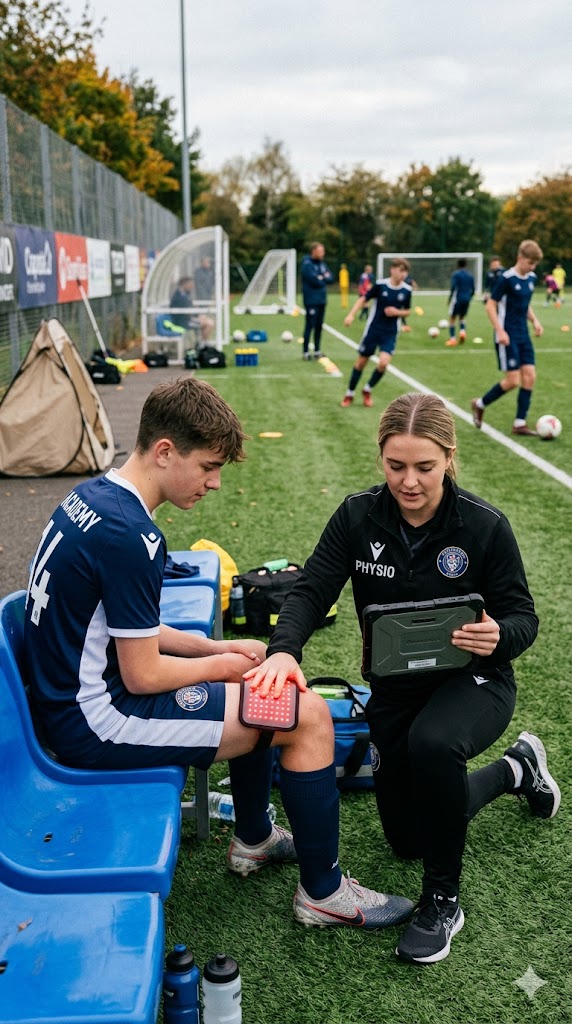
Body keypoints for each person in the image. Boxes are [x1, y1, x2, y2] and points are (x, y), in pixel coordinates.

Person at [24, 377, 413, 931]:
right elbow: (142, 674)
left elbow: (125, 628)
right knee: (308, 718)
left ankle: (253, 838)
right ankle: (324, 893)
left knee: (261, 691)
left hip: (77, 698)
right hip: (94, 722)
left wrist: (217, 647)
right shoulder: (130, 536)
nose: (215, 483)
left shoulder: (94, 497)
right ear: (164, 452)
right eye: (208, 466)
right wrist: (226, 666)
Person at [245, 391, 560, 965]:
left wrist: (500, 636)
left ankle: (442, 902)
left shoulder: (485, 526)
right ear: (381, 458)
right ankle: (518, 768)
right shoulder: (357, 515)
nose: (409, 481)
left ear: (449, 458)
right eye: (396, 466)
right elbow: (312, 589)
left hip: (476, 682)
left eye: (424, 467)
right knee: (409, 839)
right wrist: (283, 650)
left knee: (434, 745)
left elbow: (523, 616)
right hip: (395, 691)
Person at [471, 240, 543, 437]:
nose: (532, 267)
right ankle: (479, 404)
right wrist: (500, 331)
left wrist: (535, 321)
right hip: (507, 336)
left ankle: (519, 423)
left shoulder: (531, 278)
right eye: (530, 263)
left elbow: (525, 305)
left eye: (535, 264)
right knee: (513, 380)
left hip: (523, 334)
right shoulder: (506, 279)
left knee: (530, 376)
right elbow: (490, 305)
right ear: (520, 258)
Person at [340, 258, 412, 408]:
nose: (403, 274)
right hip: (373, 330)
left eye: (405, 271)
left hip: (390, 332)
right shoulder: (380, 285)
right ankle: (350, 393)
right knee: (360, 363)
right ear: (392, 270)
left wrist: (397, 312)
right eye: (401, 270)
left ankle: (367, 389)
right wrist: (351, 314)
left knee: (383, 363)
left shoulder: (407, 290)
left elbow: (407, 311)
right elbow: (363, 299)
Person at [301, 242, 334, 360]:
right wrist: (322, 277)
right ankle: (305, 352)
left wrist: (322, 277)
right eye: (321, 251)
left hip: (321, 300)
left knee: (319, 326)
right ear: (313, 251)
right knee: (310, 325)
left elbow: (331, 278)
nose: (323, 253)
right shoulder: (307, 264)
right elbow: (315, 281)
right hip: (311, 300)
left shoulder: (322, 264)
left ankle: (317, 351)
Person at [169, 276, 214, 342]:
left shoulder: (184, 294)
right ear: (184, 284)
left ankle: (202, 343)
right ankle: (204, 345)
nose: (192, 287)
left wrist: (198, 316)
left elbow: (189, 308)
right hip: (182, 323)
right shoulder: (178, 296)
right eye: (190, 285)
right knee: (209, 324)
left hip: (186, 320)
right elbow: (184, 311)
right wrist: (196, 317)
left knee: (207, 320)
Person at [445, 258, 475, 346]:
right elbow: (473, 289)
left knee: (452, 318)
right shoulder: (470, 275)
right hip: (467, 299)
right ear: (466, 265)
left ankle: (453, 339)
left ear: (458, 265)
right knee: (462, 317)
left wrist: (450, 298)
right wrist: (469, 298)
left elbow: (453, 287)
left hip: (458, 299)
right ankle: (462, 332)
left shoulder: (456, 274)